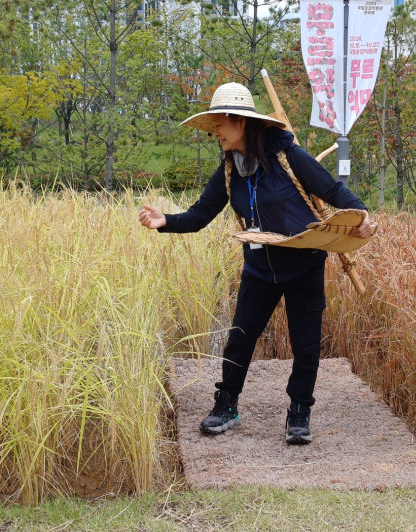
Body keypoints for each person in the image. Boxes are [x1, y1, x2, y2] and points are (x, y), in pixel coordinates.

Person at [139, 82, 373, 444]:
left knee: (305, 344)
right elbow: (201, 214)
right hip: (260, 269)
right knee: (239, 341)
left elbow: (331, 189)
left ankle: (299, 413)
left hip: (304, 263)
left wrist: (361, 214)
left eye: (219, 123)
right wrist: (166, 221)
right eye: (213, 125)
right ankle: (226, 405)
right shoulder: (230, 170)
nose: (215, 131)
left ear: (241, 122)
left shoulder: (287, 156)